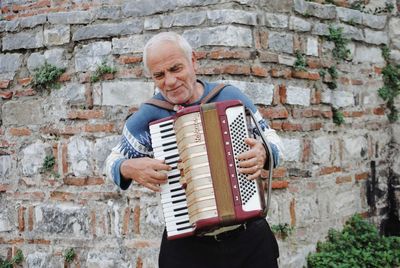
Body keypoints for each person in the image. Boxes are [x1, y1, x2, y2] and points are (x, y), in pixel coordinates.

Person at [105, 32, 283, 267]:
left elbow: (273, 139)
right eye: (159, 75)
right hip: (187, 248)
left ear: (193, 62)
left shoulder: (229, 97)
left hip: (248, 239)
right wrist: (128, 167)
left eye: (176, 68)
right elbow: (112, 161)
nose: (169, 81)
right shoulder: (150, 114)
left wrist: (264, 152)